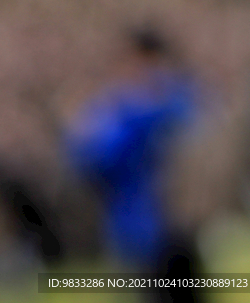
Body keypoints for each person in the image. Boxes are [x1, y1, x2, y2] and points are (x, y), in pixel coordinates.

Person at [66, 28, 203, 303]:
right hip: (142, 234)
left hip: (168, 229)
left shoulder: (141, 104)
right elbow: (88, 160)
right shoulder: (120, 108)